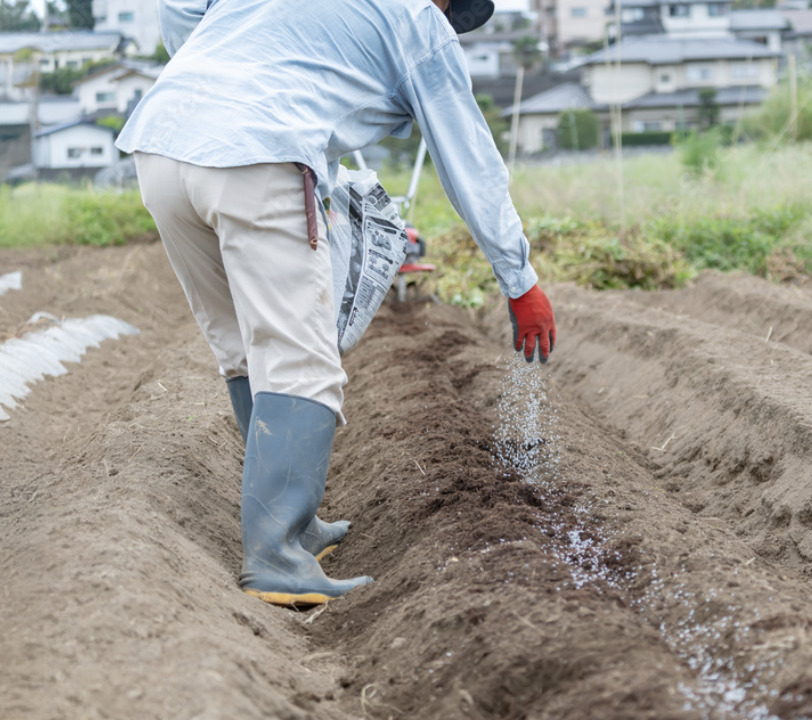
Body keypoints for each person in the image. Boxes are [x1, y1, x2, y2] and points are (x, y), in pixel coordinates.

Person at [117, 0, 557, 607]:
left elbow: (181, 6)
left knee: (245, 345)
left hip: (162, 145)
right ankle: (275, 558)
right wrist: (520, 279)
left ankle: (295, 524)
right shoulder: (417, 20)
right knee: (302, 358)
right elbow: (470, 162)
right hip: (257, 152)